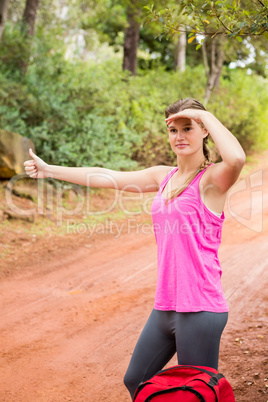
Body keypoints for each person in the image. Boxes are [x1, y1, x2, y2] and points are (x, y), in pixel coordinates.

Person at [24, 98, 246, 400]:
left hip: (201, 307)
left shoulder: (212, 180)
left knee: (197, 393)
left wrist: (202, 114)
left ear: (205, 130)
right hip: (166, 305)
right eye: (172, 129)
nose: (179, 136)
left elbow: (235, 159)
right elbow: (109, 177)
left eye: (188, 128)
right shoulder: (162, 176)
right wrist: (50, 170)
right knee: (137, 380)